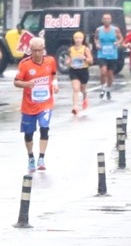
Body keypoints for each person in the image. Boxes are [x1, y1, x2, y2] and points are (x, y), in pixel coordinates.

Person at [14, 37, 58, 172]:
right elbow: (16, 82)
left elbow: (54, 75)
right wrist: (26, 84)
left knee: (44, 128)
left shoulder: (50, 61)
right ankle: (31, 157)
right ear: (30, 50)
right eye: (35, 51)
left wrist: (55, 84)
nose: (38, 53)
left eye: (40, 50)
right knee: (29, 134)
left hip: (45, 103)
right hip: (29, 105)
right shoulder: (24, 64)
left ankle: (42, 158)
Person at [92, 13, 122, 100]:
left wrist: (118, 42)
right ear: (102, 20)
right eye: (104, 19)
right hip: (102, 54)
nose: (106, 20)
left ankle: (108, 89)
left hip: (112, 54)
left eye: (108, 18)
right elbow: (96, 38)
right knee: (103, 72)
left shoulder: (115, 30)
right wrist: (97, 44)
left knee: (110, 74)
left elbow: (121, 38)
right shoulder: (98, 30)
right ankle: (102, 88)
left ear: (111, 20)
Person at [65, 30, 93, 115]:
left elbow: (91, 61)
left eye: (80, 38)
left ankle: (85, 97)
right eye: (76, 38)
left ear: (83, 39)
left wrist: (84, 58)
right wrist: (68, 62)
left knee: (82, 89)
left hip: (83, 70)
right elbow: (68, 60)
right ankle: (75, 106)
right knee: (75, 89)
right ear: (73, 39)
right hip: (74, 70)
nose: (78, 40)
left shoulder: (85, 49)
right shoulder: (70, 49)